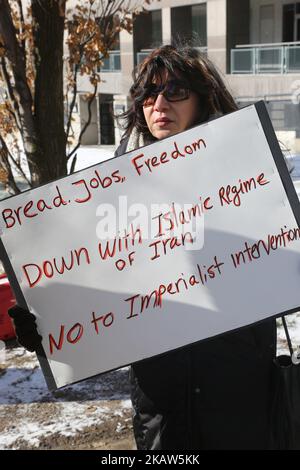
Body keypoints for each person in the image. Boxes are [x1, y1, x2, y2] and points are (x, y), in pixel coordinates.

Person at [9, 44, 276, 450]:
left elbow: (281, 264)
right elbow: (88, 278)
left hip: (241, 403)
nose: (160, 104)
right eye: (149, 95)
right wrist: (45, 321)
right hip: (162, 412)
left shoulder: (251, 175)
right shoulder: (109, 192)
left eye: (175, 91)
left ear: (203, 98)